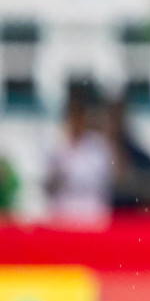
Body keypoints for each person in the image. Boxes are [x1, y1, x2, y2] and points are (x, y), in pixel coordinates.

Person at [44, 79, 113, 226]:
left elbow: (103, 184)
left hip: (91, 214)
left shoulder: (97, 146)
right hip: (63, 214)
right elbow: (48, 186)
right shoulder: (56, 146)